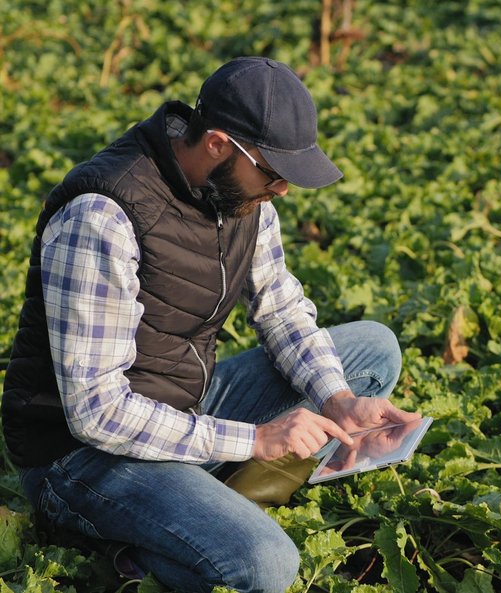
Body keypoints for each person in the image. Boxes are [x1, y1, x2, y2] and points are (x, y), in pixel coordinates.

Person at [2, 56, 420, 593]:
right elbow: (95, 413)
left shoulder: (243, 196)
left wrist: (337, 399)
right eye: (273, 174)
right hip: (81, 456)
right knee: (264, 564)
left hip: (182, 404)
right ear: (220, 144)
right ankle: (136, 544)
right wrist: (253, 440)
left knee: (372, 351)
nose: (282, 192)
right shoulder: (103, 217)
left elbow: (282, 309)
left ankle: (198, 505)